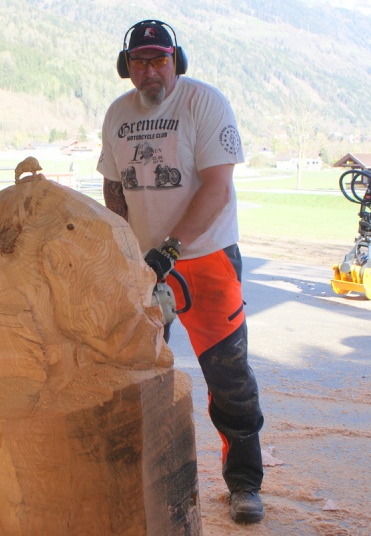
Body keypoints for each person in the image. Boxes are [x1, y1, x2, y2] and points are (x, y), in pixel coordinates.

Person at [97, 20, 265, 524]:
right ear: (126, 67)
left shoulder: (203, 103)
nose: (150, 71)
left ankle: (243, 483)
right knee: (136, 369)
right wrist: (124, 247)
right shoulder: (118, 114)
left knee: (228, 374)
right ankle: (139, 476)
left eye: (160, 60)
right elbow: (114, 186)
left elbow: (217, 188)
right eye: (140, 61)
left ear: (177, 61)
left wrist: (170, 249)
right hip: (145, 265)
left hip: (206, 259)